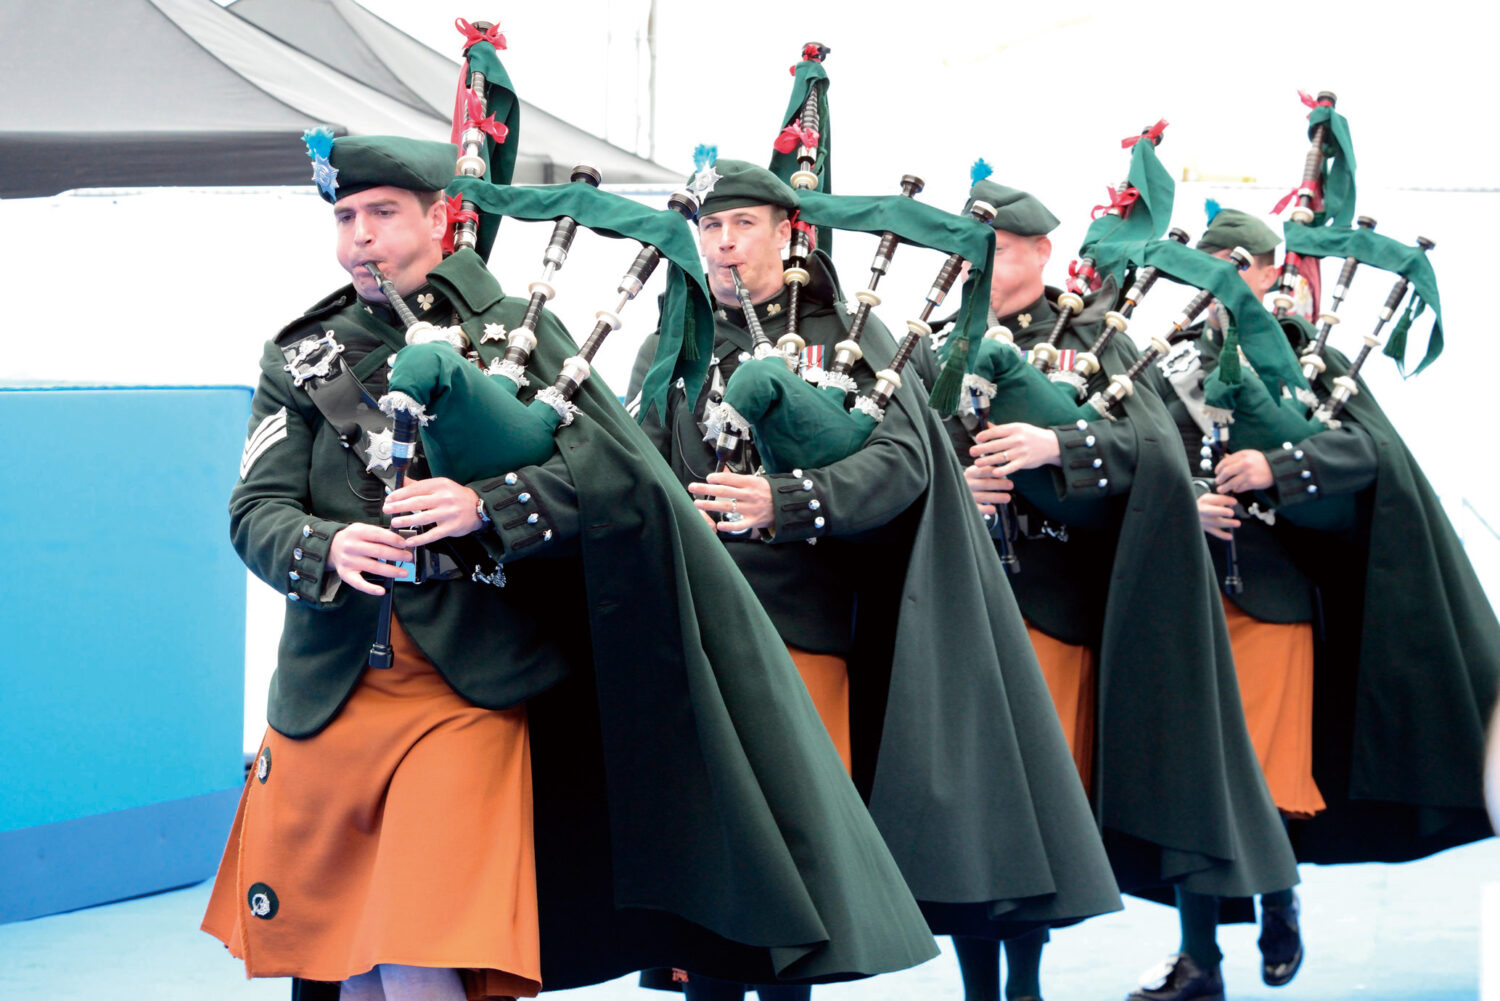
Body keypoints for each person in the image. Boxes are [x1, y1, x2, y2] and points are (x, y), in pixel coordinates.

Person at [201, 134, 941, 1000]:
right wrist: (323, 544)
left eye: (383, 214)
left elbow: (617, 480)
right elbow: (256, 510)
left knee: (423, 936)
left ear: (441, 220)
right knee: (342, 963)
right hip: (327, 684)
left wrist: (488, 506)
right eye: (345, 217)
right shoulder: (300, 355)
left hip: (474, 678)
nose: (360, 236)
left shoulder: (523, 333)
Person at [628, 158, 1120, 1001]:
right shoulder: (674, 336)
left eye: (743, 224)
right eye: (711, 225)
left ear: (790, 233)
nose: (722, 241)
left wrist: (789, 501)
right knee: (711, 861)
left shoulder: (851, 334)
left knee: (798, 861)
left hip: (805, 627)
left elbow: (902, 462)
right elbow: (642, 462)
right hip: (702, 628)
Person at [921, 181, 1299, 1001]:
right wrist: (953, 479)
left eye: (998, 247)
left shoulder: (1098, 335)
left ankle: (1030, 985)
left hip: (1060, 603)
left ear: (1040, 251)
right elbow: (900, 451)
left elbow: (1151, 447)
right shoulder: (935, 344)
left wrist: (1053, 441)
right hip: (958, 608)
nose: (977, 264)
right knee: (981, 815)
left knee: (1031, 814)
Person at [1144, 205, 1500, 988]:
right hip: (1183, 603)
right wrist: (1183, 502)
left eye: (1241, 266)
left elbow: (1369, 453)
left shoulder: (1310, 360)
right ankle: (1199, 957)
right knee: (1190, 783)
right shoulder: (1160, 367)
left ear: (1272, 272)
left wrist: (1282, 469)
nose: (1223, 284)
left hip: (1275, 599)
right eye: (1210, 269)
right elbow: (1137, 460)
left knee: (1266, 777)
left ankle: (1278, 896)